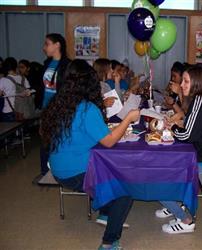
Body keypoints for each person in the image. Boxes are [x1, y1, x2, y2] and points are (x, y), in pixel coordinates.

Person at [40, 59, 140, 250]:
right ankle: (109, 242)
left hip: (58, 169)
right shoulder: (87, 108)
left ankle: (104, 213)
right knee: (127, 187)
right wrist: (128, 119)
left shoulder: (59, 103)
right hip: (76, 173)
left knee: (107, 170)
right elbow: (109, 141)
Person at [156, 64, 202, 234]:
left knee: (156, 179)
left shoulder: (199, 100)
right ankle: (173, 203)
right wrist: (177, 124)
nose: (182, 85)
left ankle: (185, 219)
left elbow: (188, 135)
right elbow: (193, 127)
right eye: (183, 81)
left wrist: (172, 128)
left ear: (196, 84)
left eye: (186, 81)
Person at [33, 33, 71, 184]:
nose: (44, 47)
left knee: (60, 140)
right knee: (45, 141)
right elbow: (42, 86)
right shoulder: (46, 63)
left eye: (47, 44)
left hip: (60, 110)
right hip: (46, 109)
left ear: (57, 45)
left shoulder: (68, 65)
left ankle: (60, 172)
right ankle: (45, 173)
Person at [0, 57, 33, 121]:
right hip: (22, 110)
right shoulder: (23, 78)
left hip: (8, 111)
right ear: (16, 66)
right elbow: (28, 91)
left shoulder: (3, 80)